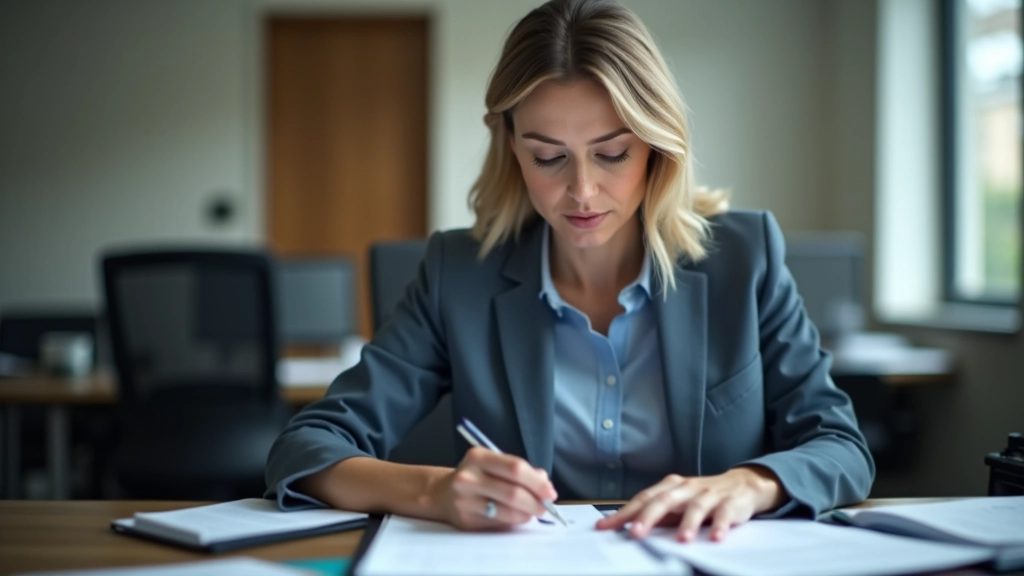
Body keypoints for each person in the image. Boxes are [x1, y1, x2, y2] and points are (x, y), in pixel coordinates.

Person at [265, 0, 874, 542]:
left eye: (612, 154)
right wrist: (433, 492)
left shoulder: (745, 257)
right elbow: (304, 448)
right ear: (512, 148)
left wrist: (750, 483)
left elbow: (841, 447)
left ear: (658, 147)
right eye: (548, 157)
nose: (582, 191)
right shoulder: (460, 274)